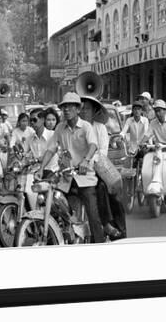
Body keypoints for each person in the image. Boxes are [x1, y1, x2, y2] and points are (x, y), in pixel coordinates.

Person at [39, 92, 105, 243]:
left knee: (93, 216)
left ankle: (100, 244)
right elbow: (51, 149)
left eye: (70, 106)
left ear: (77, 109)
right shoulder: (60, 128)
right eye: (64, 107)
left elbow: (93, 145)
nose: (66, 109)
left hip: (85, 178)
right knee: (56, 208)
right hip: (66, 178)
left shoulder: (86, 127)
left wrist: (85, 160)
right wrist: (41, 168)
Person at [81, 95, 126, 240]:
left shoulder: (100, 128)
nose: (83, 111)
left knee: (107, 190)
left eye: (87, 109)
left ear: (94, 112)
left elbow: (102, 152)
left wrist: (87, 161)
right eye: (82, 108)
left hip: (96, 167)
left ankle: (113, 226)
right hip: (76, 170)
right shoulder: (76, 127)